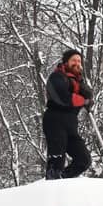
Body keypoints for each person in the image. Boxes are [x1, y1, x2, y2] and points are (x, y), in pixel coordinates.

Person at [42, 48, 93, 180]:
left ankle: (63, 180)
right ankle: (53, 183)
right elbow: (64, 97)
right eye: (73, 60)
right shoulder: (57, 77)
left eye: (79, 61)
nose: (77, 63)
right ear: (66, 62)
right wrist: (83, 100)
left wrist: (88, 98)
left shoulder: (79, 82)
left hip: (71, 123)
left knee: (84, 160)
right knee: (57, 160)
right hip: (55, 120)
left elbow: (88, 97)